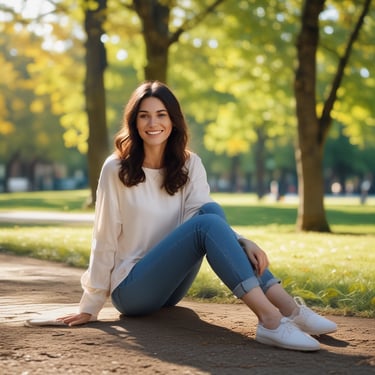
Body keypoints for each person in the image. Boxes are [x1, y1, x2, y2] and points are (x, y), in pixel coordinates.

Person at [58, 81, 337, 351]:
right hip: (132, 291)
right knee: (208, 220)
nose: (153, 124)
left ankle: (291, 311)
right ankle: (271, 319)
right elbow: (103, 237)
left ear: (173, 120)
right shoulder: (116, 168)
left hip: (171, 289)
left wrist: (241, 241)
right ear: (134, 122)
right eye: (144, 116)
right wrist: (90, 305)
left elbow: (205, 218)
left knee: (210, 211)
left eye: (160, 115)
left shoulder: (190, 164)